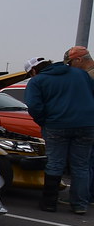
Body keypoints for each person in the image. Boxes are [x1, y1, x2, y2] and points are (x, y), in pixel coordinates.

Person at [23, 55, 94, 214]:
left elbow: (34, 106)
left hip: (56, 125)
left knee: (55, 164)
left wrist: (44, 121)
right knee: (81, 166)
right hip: (87, 125)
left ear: (34, 70)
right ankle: (80, 205)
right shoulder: (80, 74)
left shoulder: (37, 81)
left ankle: (49, 203)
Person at [65, 45, 94, 203]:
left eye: (71, 63)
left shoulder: (89, 77)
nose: (70, 67)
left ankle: (84, 197)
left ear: (78, 60)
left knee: (85, 163)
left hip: (88, 124)